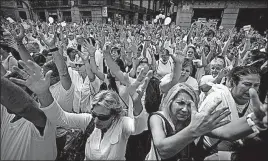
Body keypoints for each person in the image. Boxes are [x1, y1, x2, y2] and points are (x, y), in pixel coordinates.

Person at [10, 59, 152, 160]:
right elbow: (60, 117)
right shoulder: (88, 121)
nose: (96, 121)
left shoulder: (122, 124)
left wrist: (137, 105)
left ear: (115, 115)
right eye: (94, 114)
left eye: (102, 117)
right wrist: (42, 93)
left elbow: (139, 127)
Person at [146, 83, 231, 161]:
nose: (185, 109)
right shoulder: (157, 118)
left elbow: (225, 133)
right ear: (170, 102)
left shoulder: (191, 121)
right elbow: (162, 149)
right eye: (181, 103)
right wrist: (193, 130)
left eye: (190, 105)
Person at [199, 65, 268, 160]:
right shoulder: (216, 98)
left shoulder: (254, 103)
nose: (252, 89)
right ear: (233, 83)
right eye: (247, 84)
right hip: (211, 152)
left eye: (256, 85)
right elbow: (200, 126)